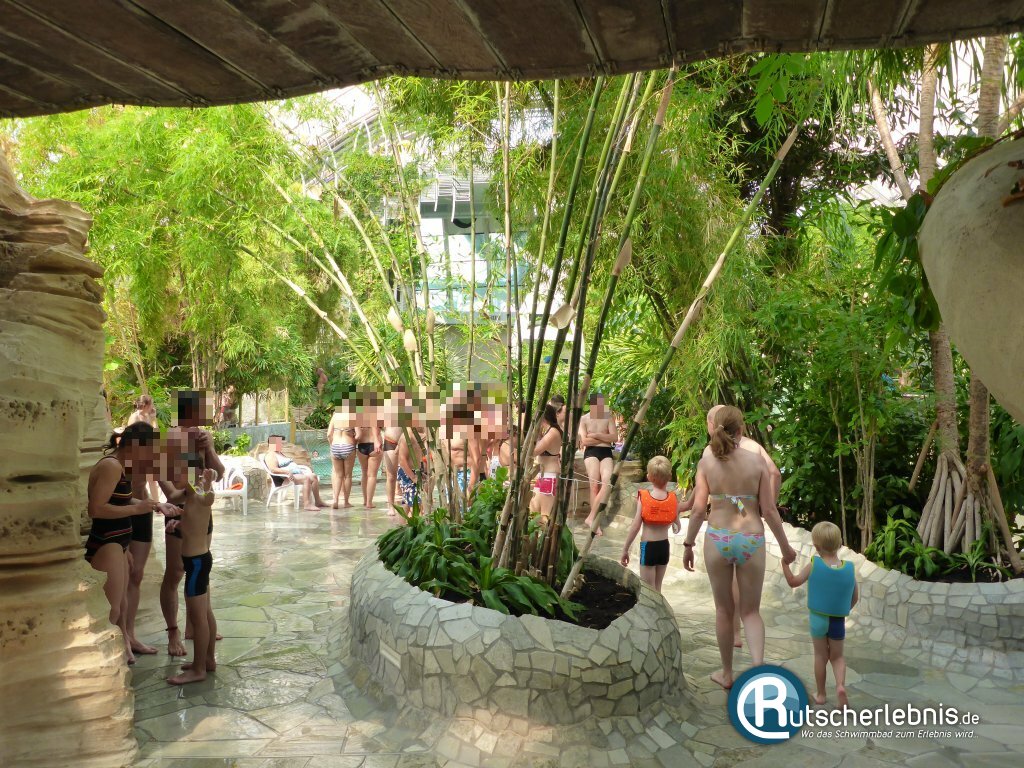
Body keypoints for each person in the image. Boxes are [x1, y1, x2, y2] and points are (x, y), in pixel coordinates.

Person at [681, 405, 797, 690]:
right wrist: (786, 548)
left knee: (723, 610)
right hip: (751, 538)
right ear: (741, 429)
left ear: (715, 427)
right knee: (751, 612)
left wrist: (688, 544)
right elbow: (769, 511)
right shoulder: (756, 462)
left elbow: (698, 511)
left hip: (718, 538)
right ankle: (758, 671)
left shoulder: (706, 462)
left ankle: (727, 674)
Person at [85, 422, 161, 665]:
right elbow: (96, 509)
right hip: (107, 543)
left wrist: (152, 505)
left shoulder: (120, 467)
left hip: (118, 544)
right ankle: (102, 662)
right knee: (112, 609)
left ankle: (123, 645)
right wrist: (137, 509)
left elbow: (121, 500)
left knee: (122, 604)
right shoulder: (111, 466)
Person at [159, 389, 225, 657]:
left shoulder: (202, 437)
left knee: (199, 568)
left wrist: (208, 449)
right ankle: (173, 632)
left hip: (202, 513)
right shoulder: (170, 440)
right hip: (180, 510)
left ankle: (194, 625)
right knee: (176, 572)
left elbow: (219, 473)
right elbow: (169, 485)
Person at [782, 521, 858, 706]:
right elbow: (854, 597)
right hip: (837, 620)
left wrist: (785, 564)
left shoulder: (814, 564)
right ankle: (840, 686)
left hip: (818, 619)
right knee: (837, 657)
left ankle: (821, 694)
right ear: (840, 544)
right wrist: (842, 610)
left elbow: (793, 581)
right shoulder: (849, 569)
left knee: (820, 656)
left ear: (816, 546)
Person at [162, 455, 218, 685]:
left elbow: (207, 499)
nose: (176, 477)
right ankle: (208, 660)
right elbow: (194, 518)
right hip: (198, 561)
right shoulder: (190, 494)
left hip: (196, 563)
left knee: (198, 618)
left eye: (180, 472)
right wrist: (180, 522)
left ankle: (198, 669)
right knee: (205, 613)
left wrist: (208, 483)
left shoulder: (200, 492)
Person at [620, 456, 680, 592]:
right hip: (664, 546)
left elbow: (635, 526)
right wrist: (674, 525)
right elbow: (677, 525)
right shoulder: (673, 498)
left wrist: (625, 549)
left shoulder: (644, 498)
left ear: (649, 477)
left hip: (649, 547)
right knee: (658, 589)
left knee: (649, 591)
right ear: (669, 476)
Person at [579, 392, 617, 534]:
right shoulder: (584, 419)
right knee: (594, 486)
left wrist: (596, 435)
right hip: (591, 453)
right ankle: (594, 521)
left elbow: (615, 437)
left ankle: (591, 517)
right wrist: (605, 438)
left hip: (606, 452)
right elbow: (584, 441)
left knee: (607, 483)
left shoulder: (608, 417)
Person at [529, 398, 565, 527]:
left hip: (549, 476)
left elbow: (534, 451)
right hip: (543, 475)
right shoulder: (548, 431)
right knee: (534, 510)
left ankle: (544, 537)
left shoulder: (553, 432)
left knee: (545, 515)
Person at [265, 434, 325, 511]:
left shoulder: (279, 453)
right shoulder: (271, 455)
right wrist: (287, 472)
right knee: (306, 478)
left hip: (293, 475)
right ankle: (307, 504)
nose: (282, 445)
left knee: (313, 476)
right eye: (280, 443)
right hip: (285, 478)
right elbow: (273, 469)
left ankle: (318, 501)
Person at [127, 394, 161, 503]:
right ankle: (137, 504)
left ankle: (157, 503)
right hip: (137, 452)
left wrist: (154, 418)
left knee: (152, 479)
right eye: (152, 404)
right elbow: (130, 437)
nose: (153, 406)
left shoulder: (147, 417)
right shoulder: (134, 417)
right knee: (138, 482)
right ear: (146, 405)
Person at [353, 390, 383, 509]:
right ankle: (369, 502)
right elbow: (377, 427)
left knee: (364, 473)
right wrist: (377, 440)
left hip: (361, 445)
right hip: (374, 445)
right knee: (372, 475)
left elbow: (357, 434)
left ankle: (365, 500)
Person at [327, 402, 356, 508]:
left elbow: (329, 434)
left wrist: (332, 445)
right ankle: (346, 502)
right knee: (347, 476)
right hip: (348, 445)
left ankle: (335, 500)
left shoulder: (335, 416)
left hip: (335, 446)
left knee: (338, 475)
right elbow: (359, 434)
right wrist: (354, 442)